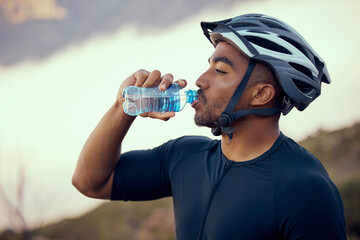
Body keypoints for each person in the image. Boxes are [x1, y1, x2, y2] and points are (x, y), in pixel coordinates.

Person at [72, 13, 347, 239]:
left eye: (220, 71)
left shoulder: (304, 189)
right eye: (209, 66)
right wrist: (123, 107)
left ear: (261, 94)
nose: (200, 80)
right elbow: (90, 182)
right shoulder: (184, 156)